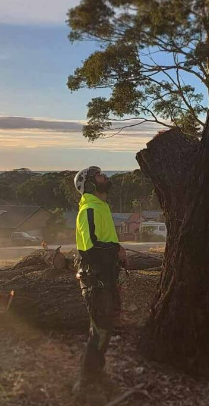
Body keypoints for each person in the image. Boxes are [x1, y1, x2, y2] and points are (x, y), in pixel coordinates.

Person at [71, 166, 128, 398]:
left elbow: (103, 241)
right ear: (90, 185)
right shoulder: (89, 210)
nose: (104, 177)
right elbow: (89, 248)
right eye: (98, 176)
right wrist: (115, 252)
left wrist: (117, 250)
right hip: (95, 279)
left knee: (106, 328)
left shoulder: (101, 207)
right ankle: (85, 383)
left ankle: (96, 372)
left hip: (106, 277)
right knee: (99, 329)